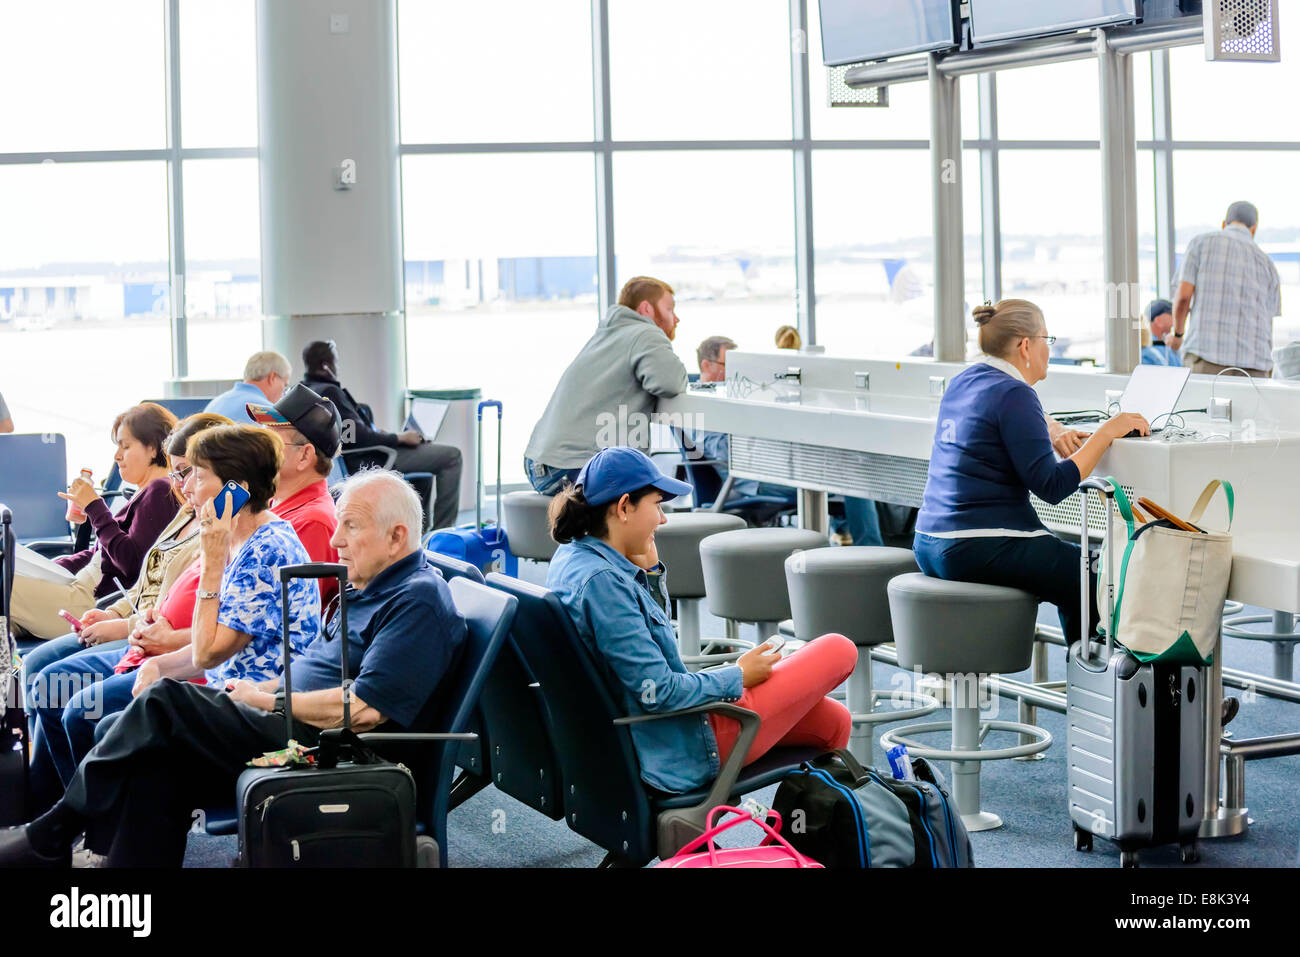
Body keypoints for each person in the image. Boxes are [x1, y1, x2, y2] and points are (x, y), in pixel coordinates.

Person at [0, 470, 466, 868]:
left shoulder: (417, 599)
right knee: (155, 765)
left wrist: (264, 699)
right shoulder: (369, 587)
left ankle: (54, 832)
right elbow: (315, 672)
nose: (336, 539)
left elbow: (363, 710)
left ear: (396, 537)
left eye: (351, 526)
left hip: (323, 748)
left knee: (165, 700)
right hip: (286, 724)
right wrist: (259, 691)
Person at [24, 423, 323, 806]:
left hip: (253, 710)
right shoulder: (240, 539)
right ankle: (81, 828)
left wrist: (212, 561)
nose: (188, 489)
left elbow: (207, 654)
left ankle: (81, 830)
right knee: (77, 705)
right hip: (223, 694)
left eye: (198, 477)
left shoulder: (266, 548)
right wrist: (160, 666)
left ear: (237, 490)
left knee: (92, 718)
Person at [546, 447, 856, 795]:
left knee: (833, 721)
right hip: (681, 745)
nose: (662, 519)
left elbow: (650, 663)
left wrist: (649, 574)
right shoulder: (604, 584)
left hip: (649, 732)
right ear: (624, 507)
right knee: (838, 649)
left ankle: (790, 842)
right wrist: (737, 675)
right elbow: (659, 692)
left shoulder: (574, 557)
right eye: (657, 504)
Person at [912, 299, 1151, 647]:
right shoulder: (1015, 393)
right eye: (1046, 339)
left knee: (1071, 562)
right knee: (1093, 574)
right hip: (976, 545)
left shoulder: (964, 381)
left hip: (930, 541)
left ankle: (1085, 673)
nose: (1048, 350)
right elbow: (1052, 487)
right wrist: (1107, 432)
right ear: (1025, 345)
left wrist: (1051, 427)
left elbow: (1003, 423)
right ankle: (1101, 688)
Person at [11, 403, 180, 640]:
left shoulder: (160, 491)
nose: (117, 456)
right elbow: (99, 555)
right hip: (79, 590)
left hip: (90, 604)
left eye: (126, 446)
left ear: (153, 448)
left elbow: (132, 564)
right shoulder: (146, 493)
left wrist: (95, 507)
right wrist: (53, 568)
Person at [524, 277, 688, 495]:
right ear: (647, 308)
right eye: (669, 309)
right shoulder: (644, 333)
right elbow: (671, 382)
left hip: (542, 463)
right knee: (648, 506)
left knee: (645, 498)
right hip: (574, 466)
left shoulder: (606, 335)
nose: (676, 319)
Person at [301, 339, 463, 532]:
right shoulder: (329, 391)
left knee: (424, 475)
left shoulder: (309, 389)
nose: (338, 367)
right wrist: (399, 438)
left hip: (366, 453)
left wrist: (380, 433)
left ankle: (419, 533)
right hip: (371, 458)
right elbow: (355, 437)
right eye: (335, 362)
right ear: (326, 365)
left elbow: (350, 431)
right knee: (452, 456)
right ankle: (443, 533)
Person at [246, 382, 342, 607]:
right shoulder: (271, 504)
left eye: (270, 440)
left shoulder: (313, 524)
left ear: (304, 456)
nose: (257, 448)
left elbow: (289, 616)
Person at [1170, 201, 1282, 378]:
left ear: (1224, 224)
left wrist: (1177, 335)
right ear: (1254, 229)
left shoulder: (1201, 243)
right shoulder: (1268, 265)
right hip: (1256, 368)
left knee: (1199, 405)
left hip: (1207, 358)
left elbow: (1183, 297)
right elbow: (1268, 322)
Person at [686, 335, 796, 508]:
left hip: (766, 469)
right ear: (706, 365)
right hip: (751, 479)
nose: (735, 373)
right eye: (729, 365)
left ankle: (841, 530)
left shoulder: (726, 399)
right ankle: (842, 530)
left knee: (836, 472)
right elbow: (721, 451)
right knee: (832, 481)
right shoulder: (700, 404)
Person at [203, 351, 292, 423]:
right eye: (284, 384)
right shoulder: (266, 411)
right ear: (272, 377)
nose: (282, 394)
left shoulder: (215, 403)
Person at [1140, 299, 1182, 367]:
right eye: (1172, 315)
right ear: (1158, 320)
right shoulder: (1149, 352)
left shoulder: (1166, 345)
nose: (1175, 321)